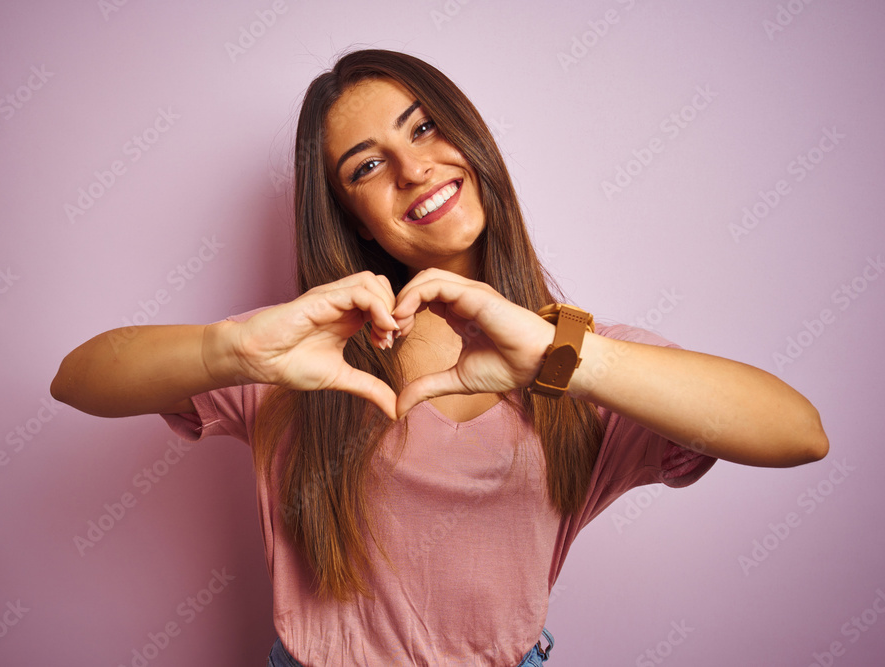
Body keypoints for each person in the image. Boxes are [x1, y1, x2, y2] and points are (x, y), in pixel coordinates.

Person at [51, 49, 829, 667]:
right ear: (354, 221)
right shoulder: (302, 353)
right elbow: (78, 378)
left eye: (424, 129)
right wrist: (233, 347)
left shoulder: (581, 358)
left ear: (471, 137)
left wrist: (567, 358)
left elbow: (798, 432)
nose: (414, 168)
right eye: (366, 165)